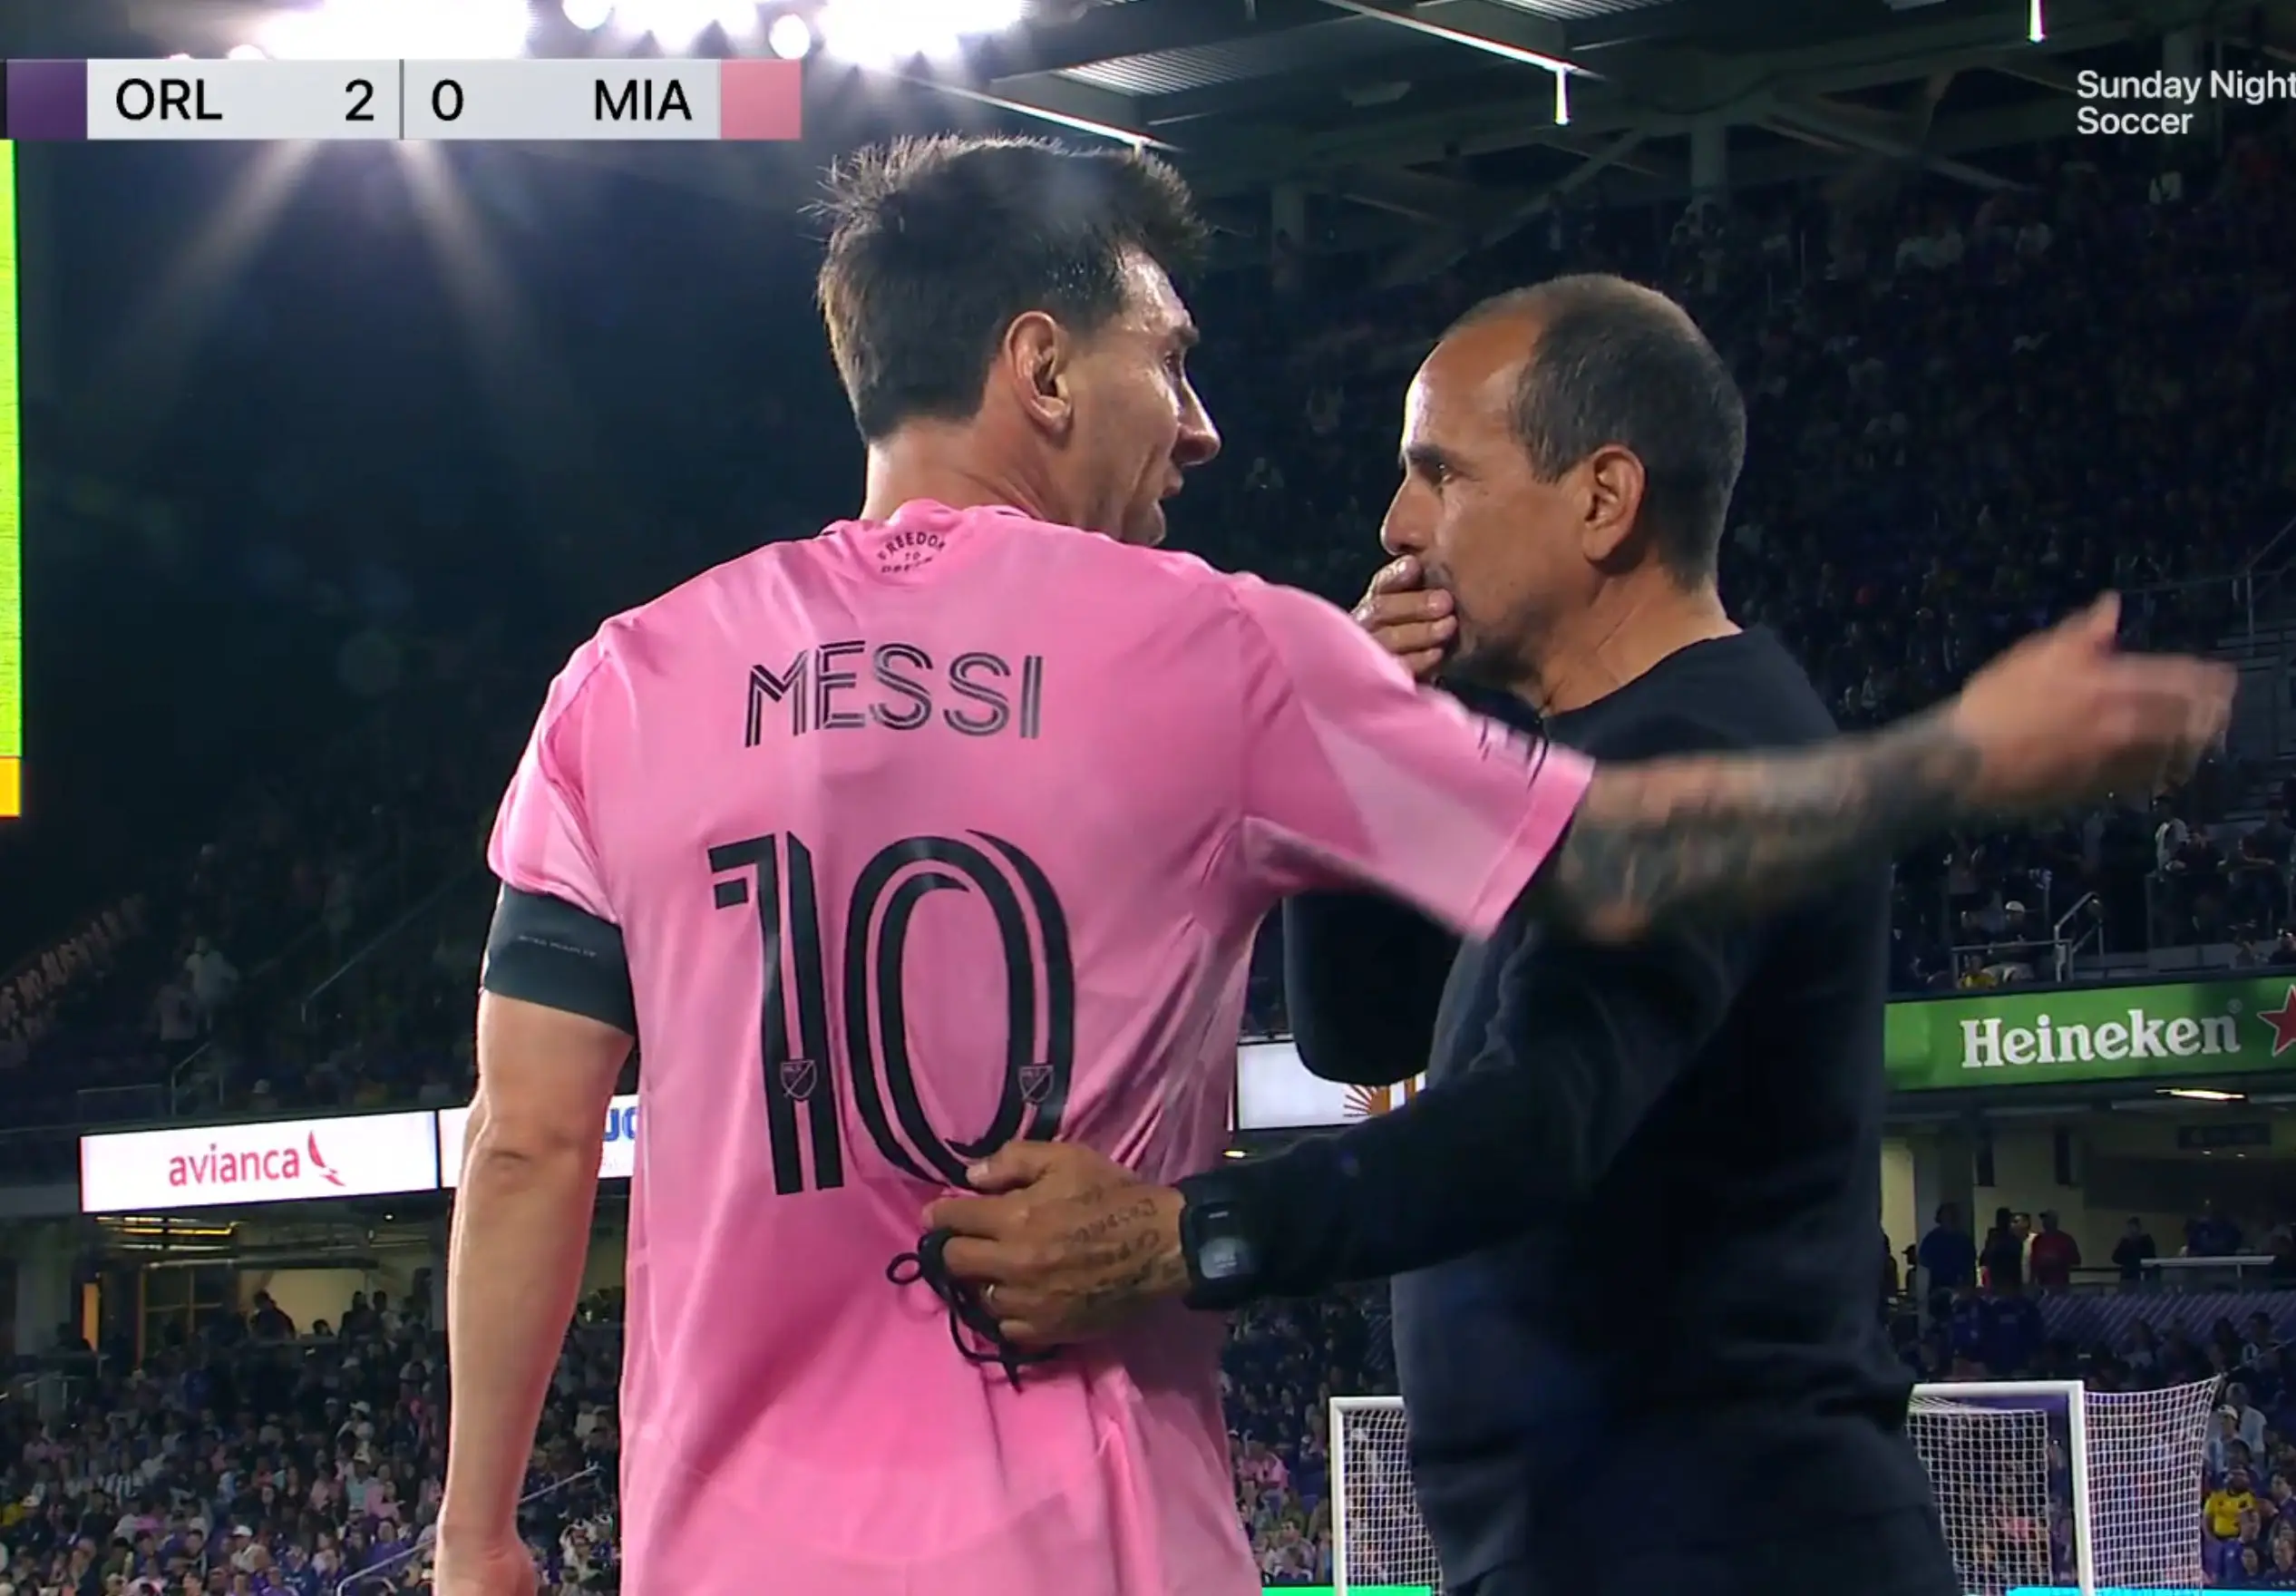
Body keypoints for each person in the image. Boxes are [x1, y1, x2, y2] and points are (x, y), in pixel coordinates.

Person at [434, 139, 2229, 1596]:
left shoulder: (626, 680)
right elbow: (1593, 876)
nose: (1205, 426)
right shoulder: (1210, 647)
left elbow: (524, 1142)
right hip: (1092, 1547)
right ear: (1043, 368)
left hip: (727, 1553)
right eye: (1174, 358)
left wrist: (479, 1531)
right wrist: (1955, 757)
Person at [919, 277, 2176, 1594]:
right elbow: (1366, 1033)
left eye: (1439, 474)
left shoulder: (1707, 741)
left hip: (1729, 1546)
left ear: (1602, 500)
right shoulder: (1556, 762)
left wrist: (1188, 1238)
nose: (1396, 524)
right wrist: (1361, 740)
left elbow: (1544, 1113)